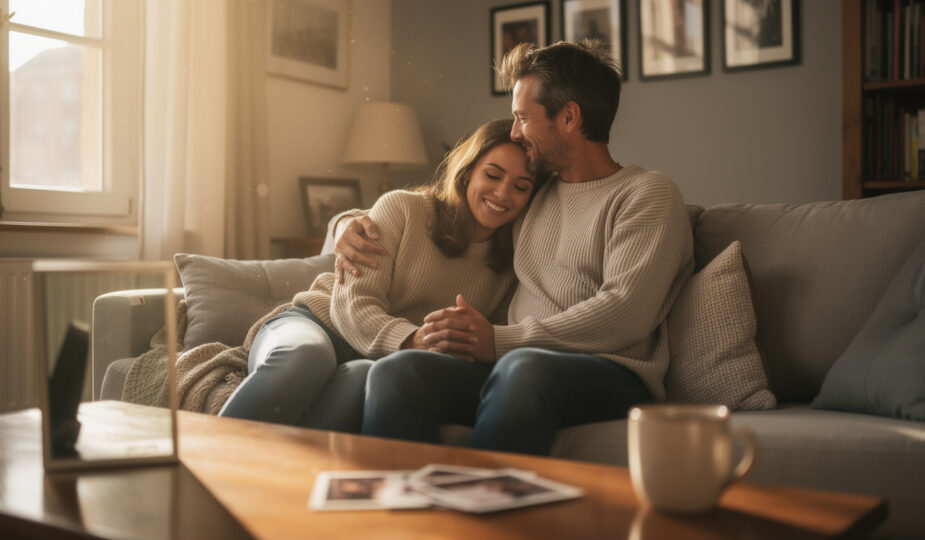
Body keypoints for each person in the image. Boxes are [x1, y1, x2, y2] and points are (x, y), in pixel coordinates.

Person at [335, 40, 694, 455]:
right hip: (514, 366)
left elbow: (627, 312)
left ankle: (482, 511)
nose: (514, 131)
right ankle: (405, 512)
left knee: (524, 369)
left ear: (570, 117)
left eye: (523, 117)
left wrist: (503, 341)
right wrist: (345, 222)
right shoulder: (535, 194)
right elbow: (451, 205)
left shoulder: (647, 194)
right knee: (399, 372)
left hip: (611, 374)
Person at [218, 118, 544, 432]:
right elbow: (353, 304)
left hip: (374, 360)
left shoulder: (514, 263)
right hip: (318, 324)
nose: (502, 194)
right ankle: (204, 453)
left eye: (520, 186)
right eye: (493, 175)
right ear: (468, 172)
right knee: (308, 355)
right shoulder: (403, 209)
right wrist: (412, 339)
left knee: (365, 377)